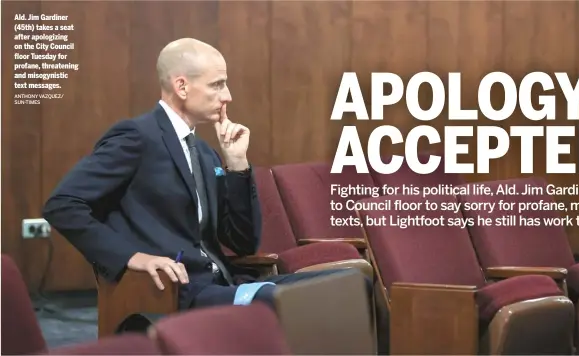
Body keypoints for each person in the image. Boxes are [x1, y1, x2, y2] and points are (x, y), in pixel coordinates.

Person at [42, 38, 370, 311]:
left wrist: (237, 166)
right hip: (181, 295)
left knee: (356, 285)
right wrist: (130, 257)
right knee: (292, 303)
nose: (227, 96)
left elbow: (241, 241)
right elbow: (63, 204)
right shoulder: (136, 138)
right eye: (217, 85)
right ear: (181, 86)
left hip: (225, 283)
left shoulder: (203, 151)